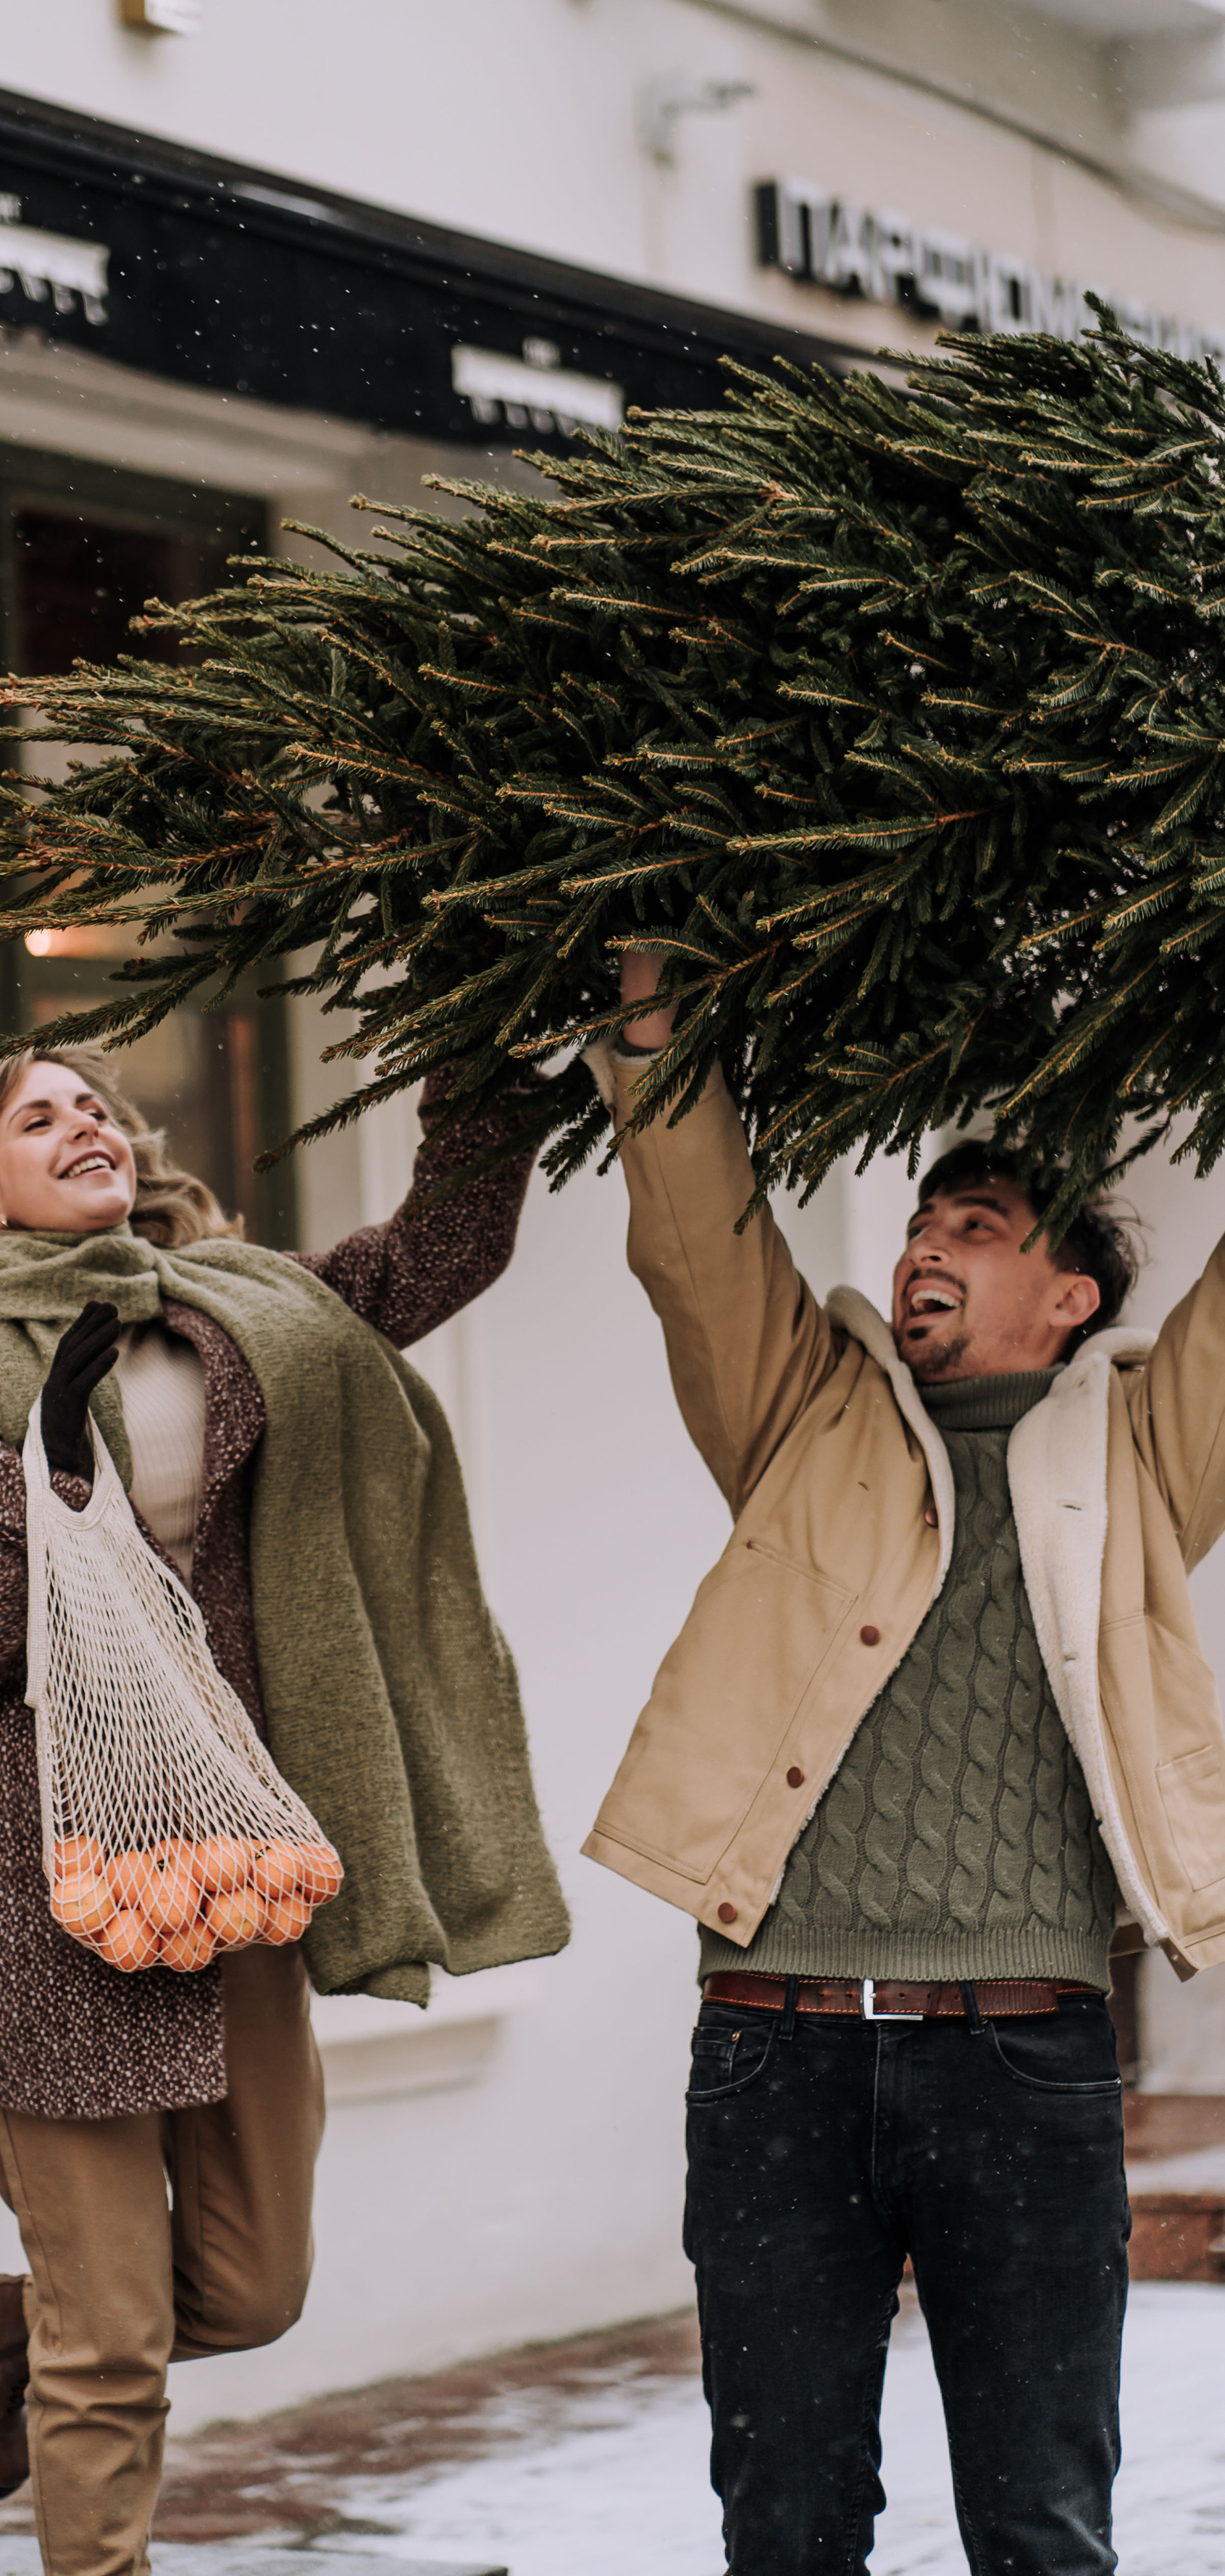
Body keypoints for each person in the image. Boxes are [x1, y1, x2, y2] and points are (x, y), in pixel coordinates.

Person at [0, 1042, 567, 2576]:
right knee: (111, 2344)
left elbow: (431, 1254)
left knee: (251, 2290)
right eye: (37, 1119)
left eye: (96, 1105)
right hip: (48, 1902)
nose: (85, 1126)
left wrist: (488, 1062)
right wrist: (42, 1478)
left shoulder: (234, 1314)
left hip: (227, 1866)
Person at [587, 948, 1225, 2576]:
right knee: (786, 2528)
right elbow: (695, 1240)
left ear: (1066, 1298)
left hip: (1023, 2068)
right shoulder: (802, 1409)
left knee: (1039, 2525)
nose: (924, 1248)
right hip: (770, 2060)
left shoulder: (1146, 1453)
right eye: (922, 1224)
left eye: (975, 1231)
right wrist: (649, 1001)